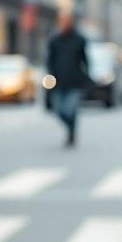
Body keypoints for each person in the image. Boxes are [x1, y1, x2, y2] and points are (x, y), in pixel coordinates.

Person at [45, 8, 91, 147]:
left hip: (75, 81)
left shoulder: (80, 40)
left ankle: (71, 134)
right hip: (57, 82)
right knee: (59, 110)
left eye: (67, 20)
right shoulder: (54, 40)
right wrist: (49, 76)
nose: (65, 23)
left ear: (72, 22)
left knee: (70, 109)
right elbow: (49, 60)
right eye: (62, 20)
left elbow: (85, 60)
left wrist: (87, 76)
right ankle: (70, 129)